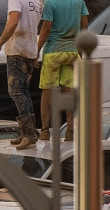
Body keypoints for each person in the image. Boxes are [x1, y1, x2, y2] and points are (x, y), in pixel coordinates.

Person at [0, 0, 43, 149]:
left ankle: (29, 134)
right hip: (30, 50)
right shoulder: (38, 1)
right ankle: (30, 131)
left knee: (15, 91)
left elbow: (13, 21)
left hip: (17, 49)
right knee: (24, 91)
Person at [35, 0, 89, 141]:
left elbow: (46, 28)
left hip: (53, 51)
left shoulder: (51, 3)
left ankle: (45, 131)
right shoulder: (80, 2)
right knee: (69, 90)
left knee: (47, 90)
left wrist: (37, 51)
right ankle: (70, 131)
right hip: (72, 52)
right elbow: (85, 26)